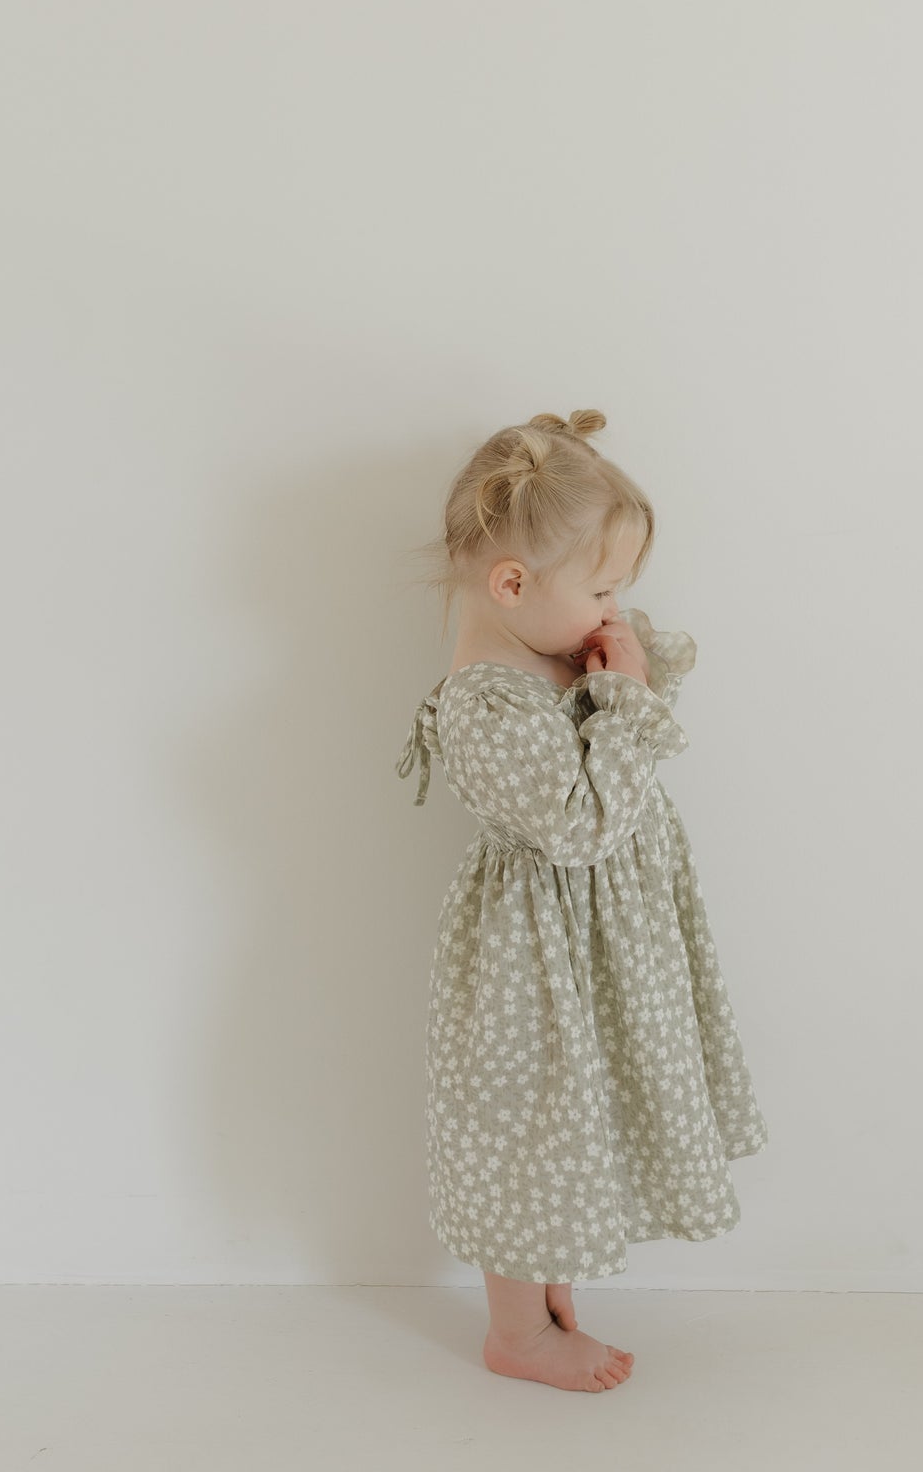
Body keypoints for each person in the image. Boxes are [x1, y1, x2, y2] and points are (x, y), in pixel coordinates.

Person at [397, 408, 769, 1392]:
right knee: (529, 1133)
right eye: (601, 587)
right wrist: (627, 701)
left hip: (600, 941)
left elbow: (626, 713)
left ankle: (549, 1289)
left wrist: (616, 669)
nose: (615, 610)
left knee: (578, 1117)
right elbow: (579, 825)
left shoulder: (550, 648)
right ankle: (515, 1331)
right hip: (537, 958)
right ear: (511, 584)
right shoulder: (486, 703)